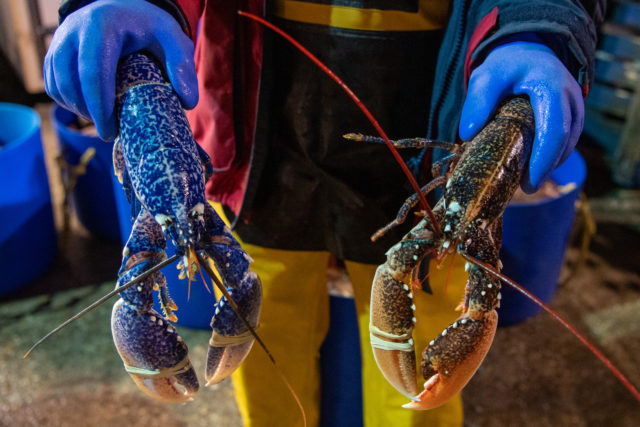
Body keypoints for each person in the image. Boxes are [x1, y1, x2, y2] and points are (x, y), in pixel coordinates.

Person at [44, 1, 604, 426]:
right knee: (268, 351)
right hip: (256, 155)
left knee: (422, 370)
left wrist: (539, 28)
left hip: (427, 153)